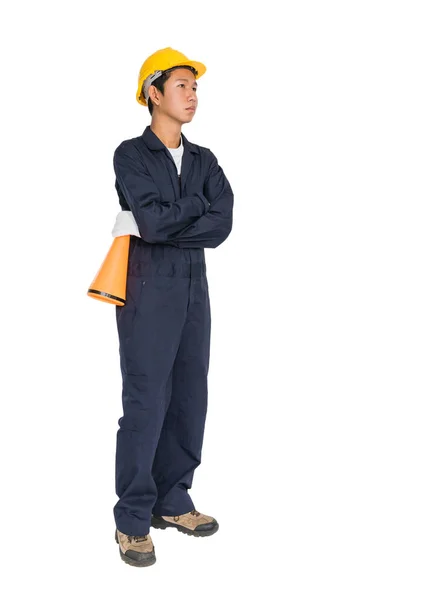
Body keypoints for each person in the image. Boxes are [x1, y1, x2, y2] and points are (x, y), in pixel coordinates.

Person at [111, 47, 234, 567]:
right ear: (153, 94)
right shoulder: (130, 155)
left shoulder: (205, 160)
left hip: (193, 289)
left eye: (196, 87)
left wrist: (174, 218)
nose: (193, 96)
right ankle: (133, 521)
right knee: (146, 404)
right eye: (182, 86)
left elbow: (223, 223)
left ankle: (173, 499)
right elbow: (154, 225)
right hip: (146, 286)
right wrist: (192, 211)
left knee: (189, 396)